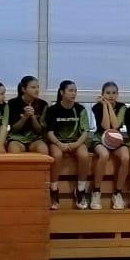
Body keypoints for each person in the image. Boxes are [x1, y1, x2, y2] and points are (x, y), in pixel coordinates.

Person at [47, 80, 93, 208]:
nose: (74, 93)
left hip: (76, 142)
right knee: (56, 155)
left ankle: (80, 189)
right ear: (62, 92)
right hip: (58, 141)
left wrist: (76, 144)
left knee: (84, 155)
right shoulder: (53, 110)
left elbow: (85, 132)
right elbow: (49, 133)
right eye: (70, 90)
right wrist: (59, 144)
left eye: (75, 91)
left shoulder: (80, 109)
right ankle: (54, 189)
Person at [89, 81, 130, 209]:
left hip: (116, 138)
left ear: (117, 94)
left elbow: (115, 125)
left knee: (126, 157)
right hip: (100, 137)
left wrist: (109, 105)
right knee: (104, 155)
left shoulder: (122, 107)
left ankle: (117, 193)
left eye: (114, 93)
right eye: (108, 93)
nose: (111, 95)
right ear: (102, 94)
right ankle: (96, 191)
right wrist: (105, 106)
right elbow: (106, 126)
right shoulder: (97, 107)